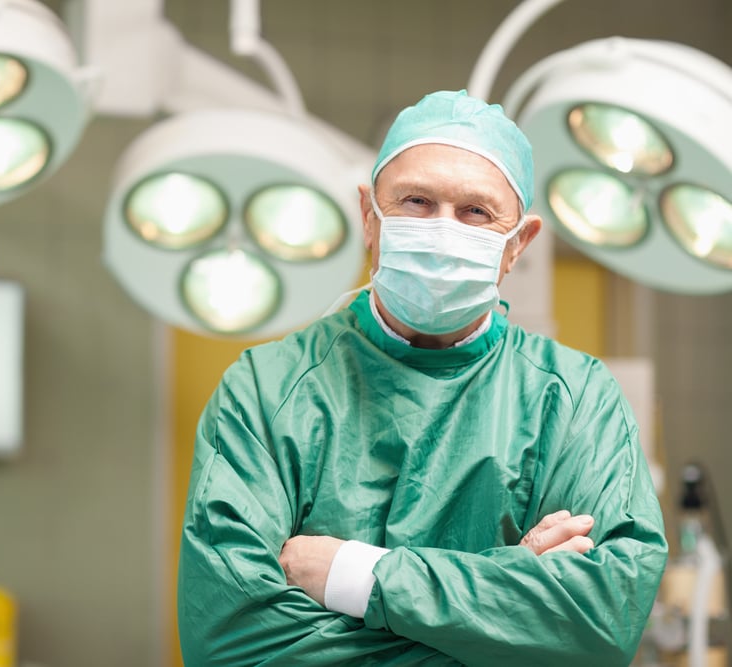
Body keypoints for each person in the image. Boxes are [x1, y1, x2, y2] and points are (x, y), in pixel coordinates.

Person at [176, 90, 667, 666]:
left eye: (476, 212)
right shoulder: (267, 393)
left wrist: (360, 578)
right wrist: (507, 605)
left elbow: (600, 627)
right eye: (416, 201)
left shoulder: (575, 400)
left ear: (518, 244)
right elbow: (230, 644)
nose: (441, 231)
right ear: (369, 216)